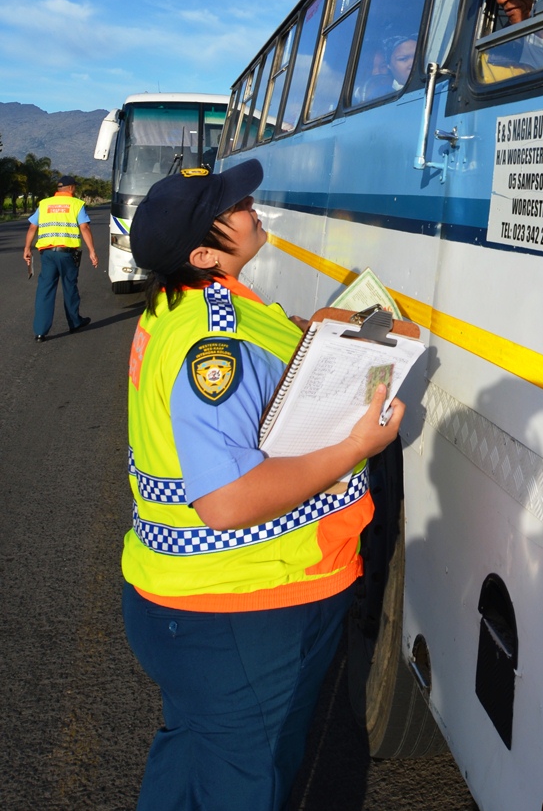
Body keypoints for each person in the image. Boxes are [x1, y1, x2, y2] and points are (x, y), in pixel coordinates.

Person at [122, 159, 405, 811]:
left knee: (191, 753)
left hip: (188, 602)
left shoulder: (183, 305)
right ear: (202, 251)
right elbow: (227, 501)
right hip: (242, 607)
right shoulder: (214, 343)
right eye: (233, 206)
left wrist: (310, 338)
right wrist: (356, 446)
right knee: (244, 784)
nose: (251, 205)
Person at [23, 174, 98, 342]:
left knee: (45, 289)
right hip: (66, 254)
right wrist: (92, 251)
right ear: (71, 188)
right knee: (69, 286)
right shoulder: (76, 204)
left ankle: (40, 332)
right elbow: (84, 228)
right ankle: (74, 322)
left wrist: (27, 248)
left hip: (47, 254)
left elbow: (32, 227)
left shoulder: (44, 204)